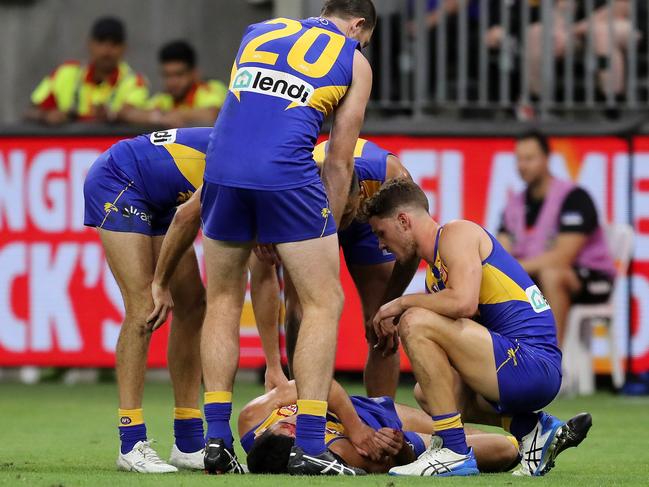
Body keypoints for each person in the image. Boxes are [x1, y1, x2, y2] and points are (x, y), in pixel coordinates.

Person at [194, 0, 376, 475]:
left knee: (222, 301)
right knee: (323, 302)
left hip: (221, 166)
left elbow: (245, 109)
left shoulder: (257, 30)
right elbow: (339, 159)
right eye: (365, 37)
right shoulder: (354, 57)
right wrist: (323, 227)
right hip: (286, 172)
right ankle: (311, 446)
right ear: (359, 24)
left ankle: (214, 442)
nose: (363, 44)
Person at [361, 178, 573, 477]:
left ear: (404, 221)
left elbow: (464, 303)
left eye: (381, 233)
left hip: (532, 364)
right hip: (510, 366)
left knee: (414, 319)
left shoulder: (457, 234)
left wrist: (397, 305)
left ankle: (453, 450)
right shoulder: (435, 279)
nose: (381, 244)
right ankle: (531, 429)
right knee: (429, 391)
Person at [283, 138, 417, 397]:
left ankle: (382, 419)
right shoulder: (297, 184)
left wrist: (388, 307)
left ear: (360, 194)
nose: (340, 224)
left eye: (345, 213)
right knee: (300, 306)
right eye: (338, 215)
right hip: (313, 217)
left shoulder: (392, 179)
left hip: (366, 224)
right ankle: (301, 402)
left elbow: (410, 252)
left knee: (381, 324)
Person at [238, 380, 525, 474]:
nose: (293, 421)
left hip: (362, 412)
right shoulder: (334, 452)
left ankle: (513, 422)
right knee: (506, 448)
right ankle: (523, 437)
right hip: (390, 435)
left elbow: (323, 384)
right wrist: (401, 450)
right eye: (292, 427)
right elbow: (387, 463)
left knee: (453, 423)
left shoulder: (252, 418)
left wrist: (354, 428)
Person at [497, 132, 615, 345]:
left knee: (552, 274)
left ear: (546, 158)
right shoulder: (514, 204)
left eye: (529, 158)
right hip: (535, 278)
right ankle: (487, 367)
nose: (522, 165)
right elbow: (500, 250)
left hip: (591, 279)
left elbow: (563, 256)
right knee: (488, 281)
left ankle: (551, 361)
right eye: (519, 159)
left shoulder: (574, 197)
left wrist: (515, 269)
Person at [28, 17, 148, 125]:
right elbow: (30, 111)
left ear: (124, 48)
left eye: (114, 44)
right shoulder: (65, 73)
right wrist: (46, 116)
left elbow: (134, 116)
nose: (107, 50)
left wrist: (113, 116)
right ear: (90, 44)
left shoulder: (134, 82)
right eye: (101, 42)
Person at [120, 40, 227, 127]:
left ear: (194, 73)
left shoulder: (212, 88)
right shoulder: (164, 99)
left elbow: (213, 114)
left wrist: (177, 115)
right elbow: (130, 114)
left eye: (179, 75)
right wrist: (158, 118)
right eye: (167, 75)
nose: (172, 82)